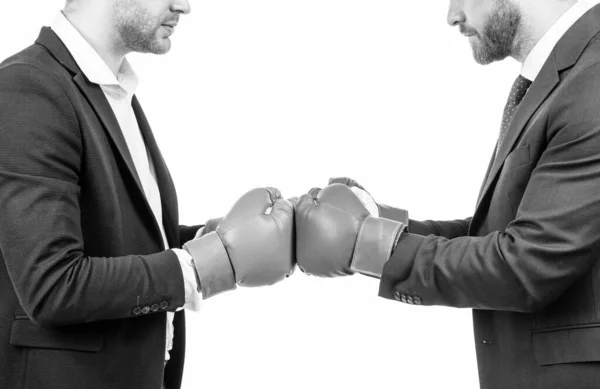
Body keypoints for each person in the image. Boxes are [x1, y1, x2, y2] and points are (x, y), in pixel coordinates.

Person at [295, 0, 600, 388]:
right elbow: (503, 230)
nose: (452, 15)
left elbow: (529, 264)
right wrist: (375, 223)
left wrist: (370, 245)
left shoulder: (593, 77)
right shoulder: (568, 72)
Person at [0, 1, 294, 389]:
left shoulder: (110, 88)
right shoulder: (29, 88)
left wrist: (222, 240)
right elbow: (53, 287)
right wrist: (200, 267)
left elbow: (115, 233)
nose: (183, 6)